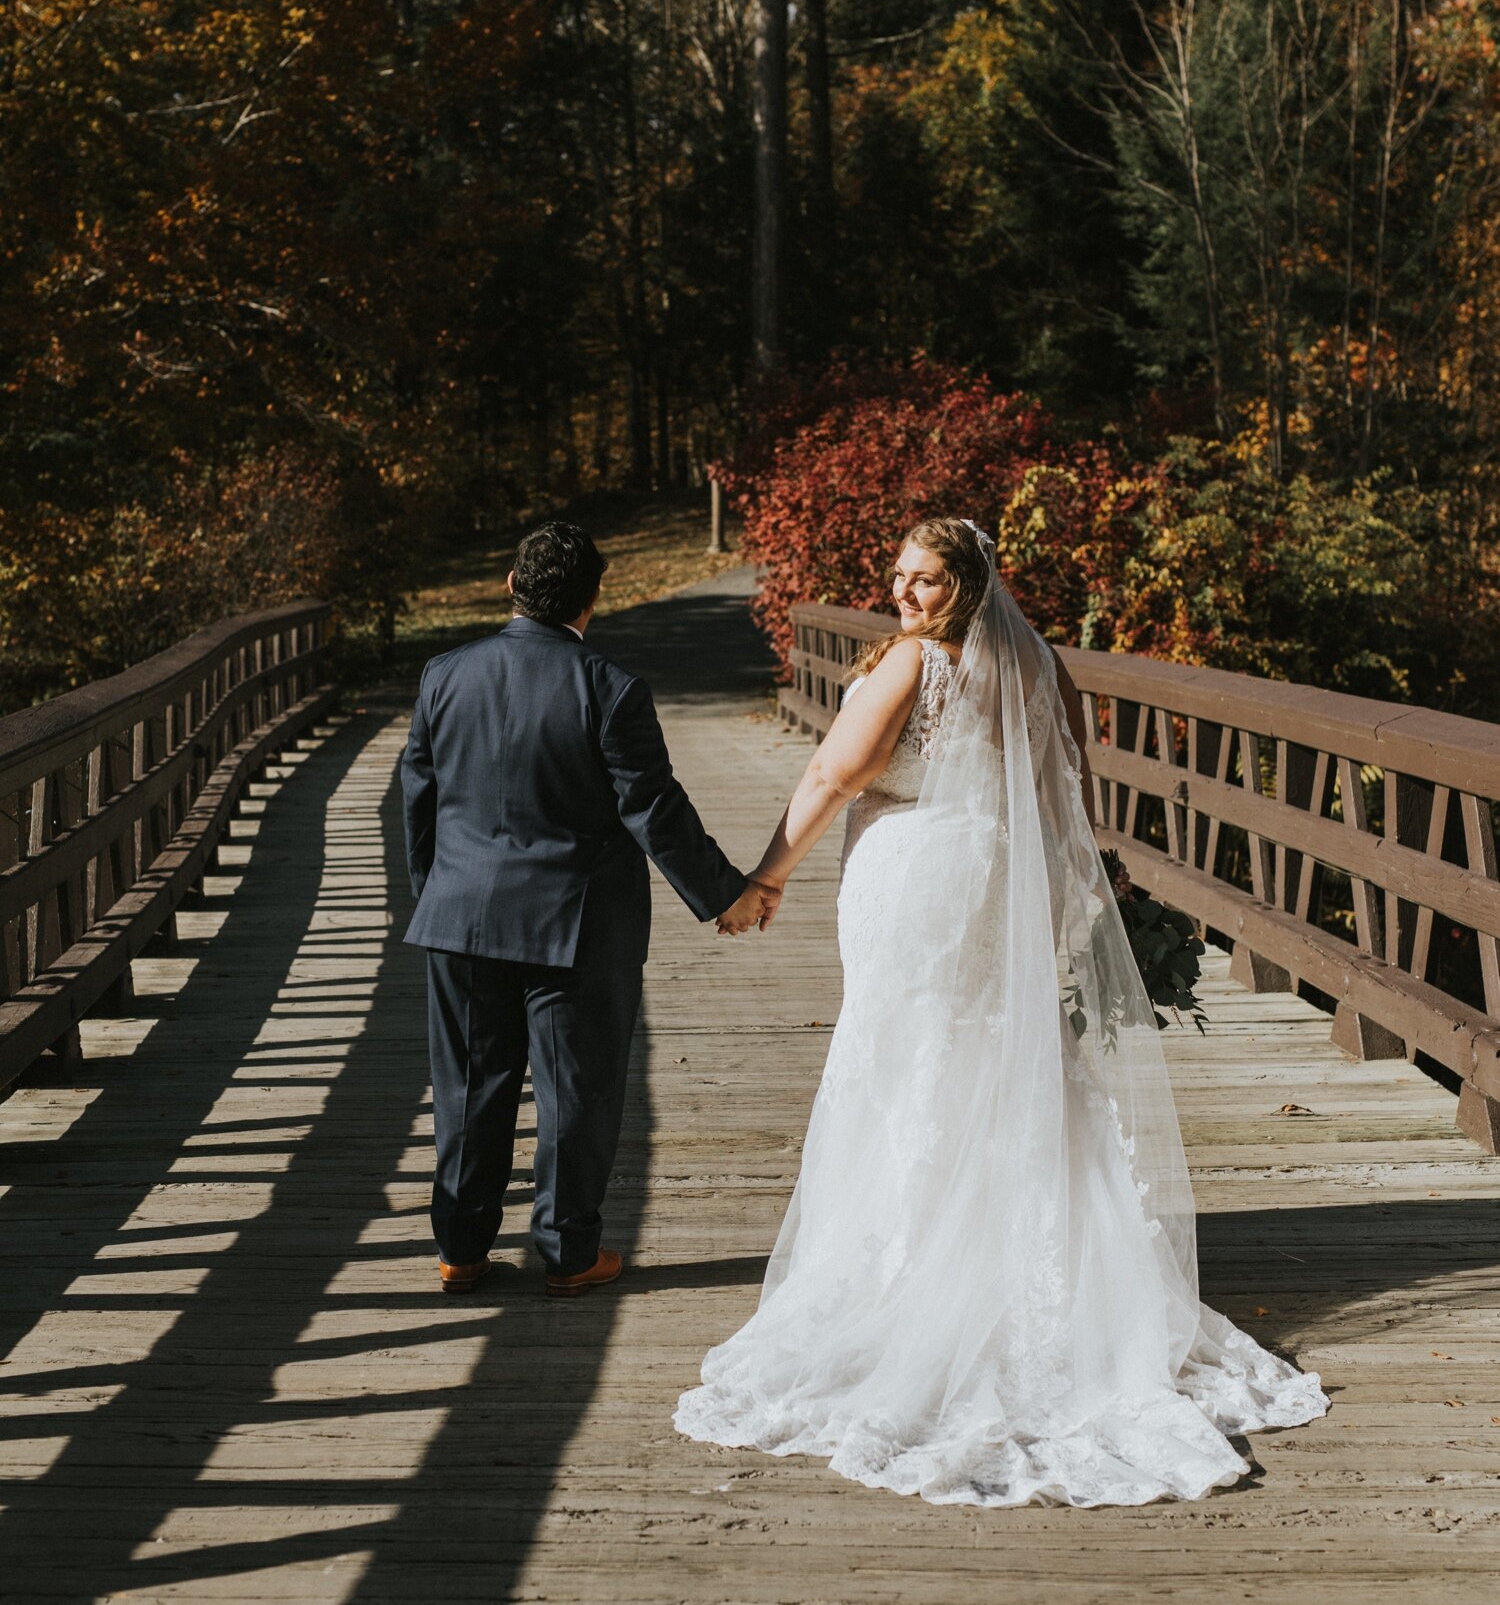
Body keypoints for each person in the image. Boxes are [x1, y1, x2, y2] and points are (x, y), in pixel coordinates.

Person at [676, 516, 1327, 1506]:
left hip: (916, 873)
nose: (905, 596)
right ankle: (1036, 1269)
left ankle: (912, 1285)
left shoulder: (915, 665)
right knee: (985, 1060)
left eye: (927, 580)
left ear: (969, 585)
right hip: (992, 876)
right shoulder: (1039, 667)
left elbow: (832, 771)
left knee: (903, 1066)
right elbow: (1071, 789)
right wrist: (1062, 899)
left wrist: (768, 876)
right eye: (897, 576)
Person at [401, 520, 773, 1299]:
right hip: (571, 923)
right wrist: (725, 893)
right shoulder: (608, 687)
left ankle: (461, 1251)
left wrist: (436, 893)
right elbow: (653, 809)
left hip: (461, 915)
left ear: (511, 586)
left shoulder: (444, 675)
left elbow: (421, 798)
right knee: (575, 1088)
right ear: (594, 600)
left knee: (470, 1084)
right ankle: (568, 1254)